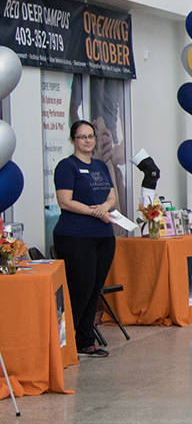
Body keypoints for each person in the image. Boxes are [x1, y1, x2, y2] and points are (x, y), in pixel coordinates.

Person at [54, 120, 117, 359]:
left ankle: (85, 341)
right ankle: (64, 342)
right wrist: (95, 212)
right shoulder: (66, 167)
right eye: (82, 137)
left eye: (90, 136)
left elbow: (112, 196)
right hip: (75, 236)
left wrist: (104, 207)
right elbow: (65, 201)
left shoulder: (101, 166)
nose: (88, 140)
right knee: (79, 289)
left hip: (102, 236)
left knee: (93, 289)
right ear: (73, 140)